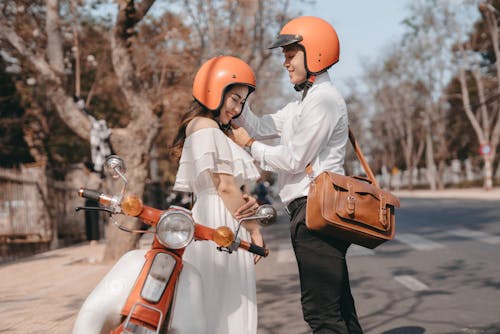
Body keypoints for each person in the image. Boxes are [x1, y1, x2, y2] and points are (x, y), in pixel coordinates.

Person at [232, 16, 364, 333]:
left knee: (322, 314)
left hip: (317, 213)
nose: (285, 63)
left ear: (314, 53)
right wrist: (240, 95)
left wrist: (248, 145)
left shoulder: (324, 101)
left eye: (291, 55)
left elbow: (293, 159)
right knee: (339, 309)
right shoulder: (305, 101)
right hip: (309, 212)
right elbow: (264, 126)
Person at [170, 55, 264, 334]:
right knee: (228, 301)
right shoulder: (207, 127)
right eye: (234, 98)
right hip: (223, 220)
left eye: (242, 102)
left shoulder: (203, 128)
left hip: (211, 216)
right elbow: (225, 186)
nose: (237, 108)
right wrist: (255, 230)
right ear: (214, 91)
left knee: (211, 298)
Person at [83, 161, 101, 245]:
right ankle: (90, 238)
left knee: (94, 219)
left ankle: (95, 238)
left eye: (84, 168)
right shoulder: (88, 177)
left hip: (93, 199)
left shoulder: (95, 176)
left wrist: (86, 189)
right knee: (88, 219)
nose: (83, 170)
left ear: (88, 169)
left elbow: (95, 187)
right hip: (87, 200)